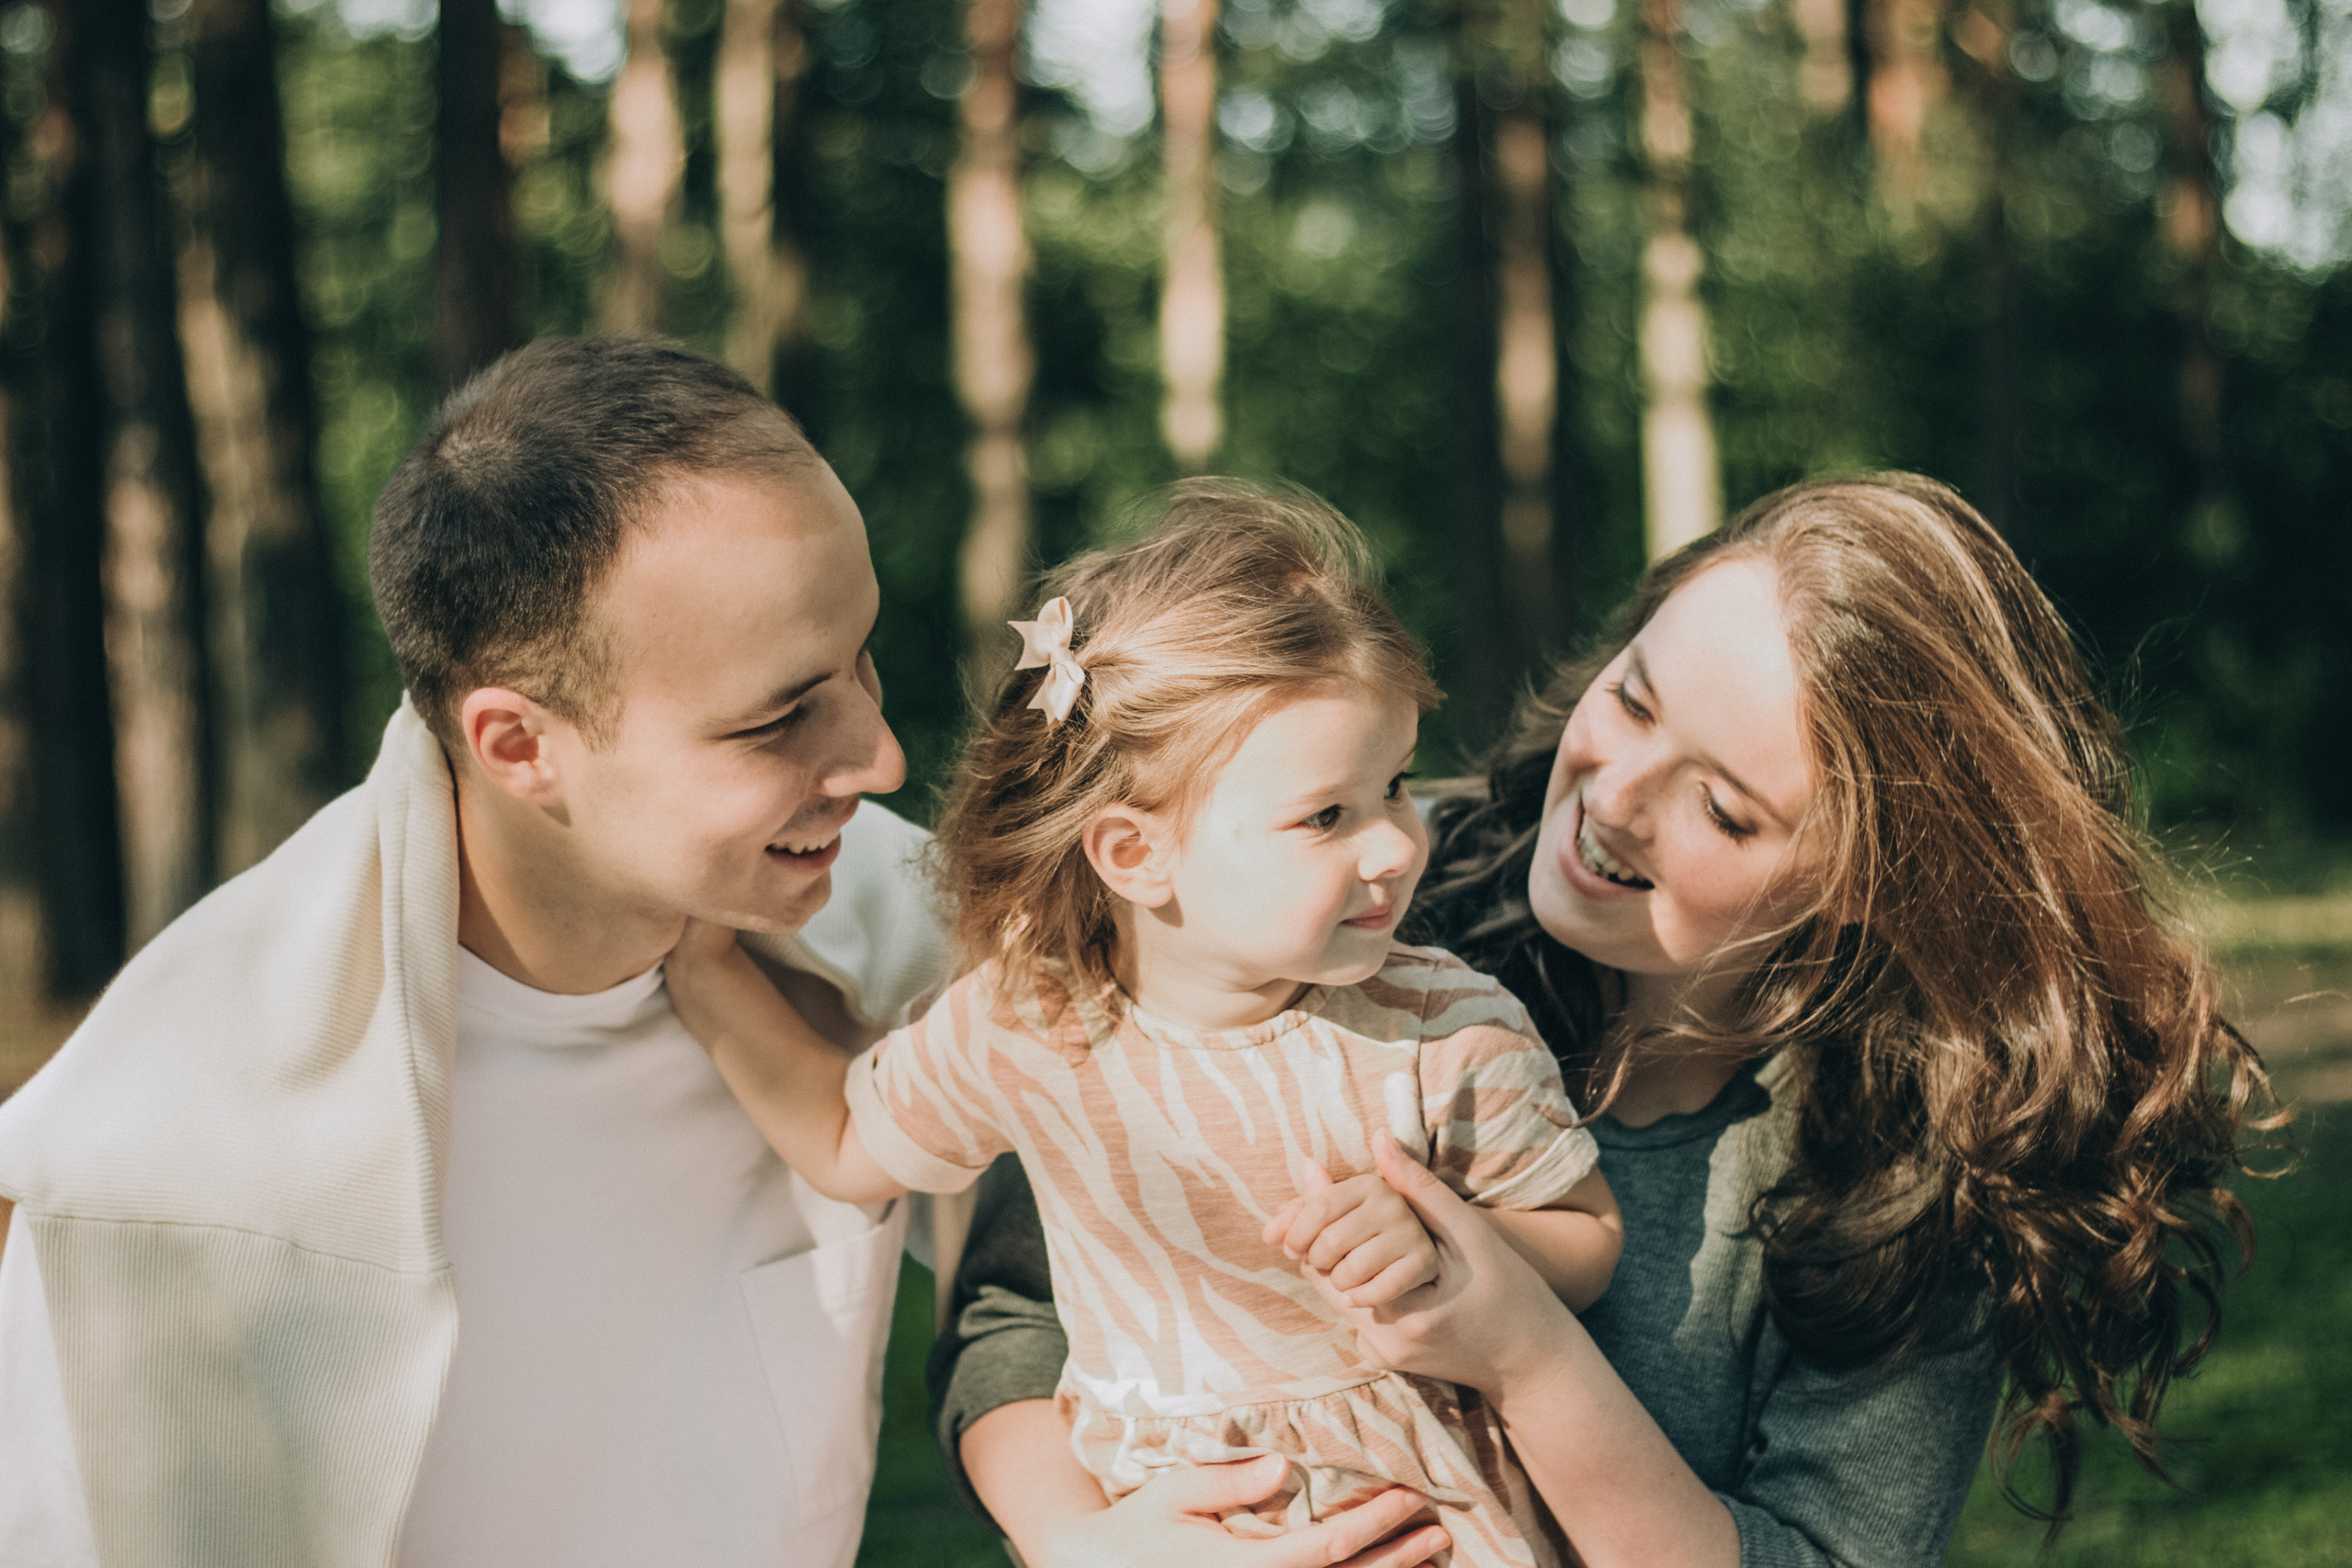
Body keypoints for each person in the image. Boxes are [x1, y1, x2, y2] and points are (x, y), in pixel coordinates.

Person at [933, 473, 2275, 1568]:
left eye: (1725, 806)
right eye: (1633, 696)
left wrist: (1525, 1346)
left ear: (1870, 889)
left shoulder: (1906, 1174)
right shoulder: (1355, 891)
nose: (1614, 795)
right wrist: (1081, 1537)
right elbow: (1015, 1303)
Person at [0, 337, 951, 1568]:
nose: (879, 759)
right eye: (777, 718)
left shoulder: (907, 931)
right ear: (518, 744)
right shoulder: (170, 1140)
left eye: (862, 658)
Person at [663, 484, 1623, 1568]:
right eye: (1326, 816)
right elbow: (847, 1145)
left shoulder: (1440, 1025)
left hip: (1423, 1526)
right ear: (1133, 855)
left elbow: (1587, 1240)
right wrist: (704, 974)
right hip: (1169, 1524)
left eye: (1394, 785)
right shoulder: (1027, 1024)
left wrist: (1458, 1240)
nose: (1397, 846)